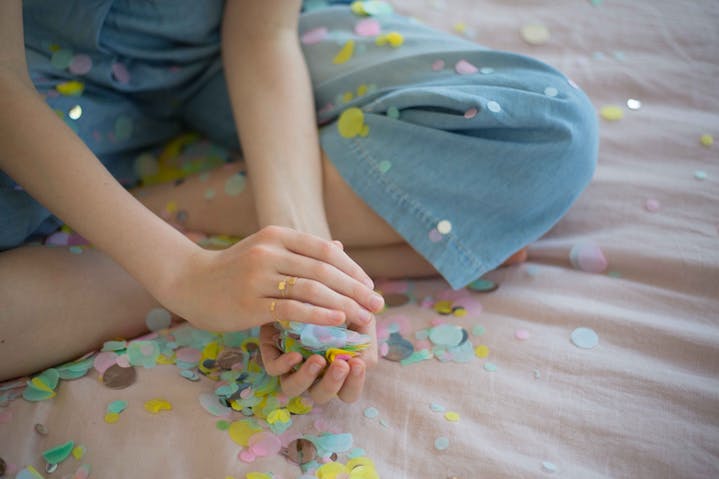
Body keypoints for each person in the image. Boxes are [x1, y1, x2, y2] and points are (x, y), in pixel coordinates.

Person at [0, 0, 598, 402]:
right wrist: (182, 275)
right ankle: (219, 272)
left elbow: (262, 33)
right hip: (32, 81)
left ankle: (193, 235)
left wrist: (309, 256)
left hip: (234, 46)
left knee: (543, 130)